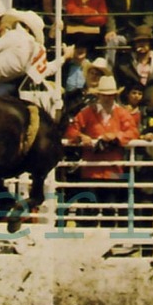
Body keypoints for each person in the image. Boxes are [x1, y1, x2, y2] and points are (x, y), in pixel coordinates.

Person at [63, 74, 139, 225]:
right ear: (98, 95)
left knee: (110, 209)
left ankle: (107, 247)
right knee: (87, 210)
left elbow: (134, 133)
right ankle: (86, 245)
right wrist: (80, 137)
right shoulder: (87, 112)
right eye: (105, 95)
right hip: (90, 169)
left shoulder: (122, 113)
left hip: (113, 170)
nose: (108, 98)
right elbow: (70, 130)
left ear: (116, 96)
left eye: (111, 95)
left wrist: (116, 136)